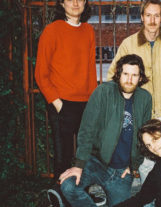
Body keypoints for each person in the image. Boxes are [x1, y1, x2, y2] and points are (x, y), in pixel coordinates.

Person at [106, 1, 161, 202]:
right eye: (148, 15)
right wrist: (127, 98)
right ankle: (151, 201)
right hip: (141, 112)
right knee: (146, 161)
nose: (152, 20)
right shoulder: (129, 43)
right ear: (142, 17)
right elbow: (114, 74)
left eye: (157, 16)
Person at [58, 54, 152, 207]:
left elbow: (145, 134)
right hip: (97, 163)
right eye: (126, 74)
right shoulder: (103, 92)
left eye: (134, 75)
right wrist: (79, 165)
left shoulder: (145, 98)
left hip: (121, 173)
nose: (129, 79)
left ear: (140, 78)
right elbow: (87, 129)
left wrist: (134, 165)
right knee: (68, 186)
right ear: (118, 74)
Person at [34, 0, 97, 205]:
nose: (76, 3)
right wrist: (57, 103)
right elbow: (41, 73)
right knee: (63, 156)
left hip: (86, 103)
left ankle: (80, 194)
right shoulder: (52, 31)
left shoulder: (88, 30)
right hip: (61, 103)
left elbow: (90, 70)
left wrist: (93, 101)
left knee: (84, 155)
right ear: (62, 3)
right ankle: (59, 198)